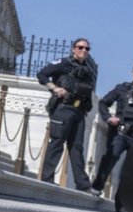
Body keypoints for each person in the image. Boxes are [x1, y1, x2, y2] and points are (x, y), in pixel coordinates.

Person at [92, 60, 133, 208]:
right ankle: (97, 186)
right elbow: (103, 103)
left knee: (130, 171)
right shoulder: (122, 88)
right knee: (112, 156)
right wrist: (108, 118)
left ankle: (120, 204)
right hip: (121, 132)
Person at [37, 38, 99, 191]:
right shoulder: (64, 63)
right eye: (80, 47)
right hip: (63, 109)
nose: (83, 50)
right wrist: (54, 88)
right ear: (73, 49)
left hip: (79, 112)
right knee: (57, 143)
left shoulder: (88, 70)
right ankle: (47, 179)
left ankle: (83, 184)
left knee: (77, 148)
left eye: (87, 48)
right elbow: (42, 75)